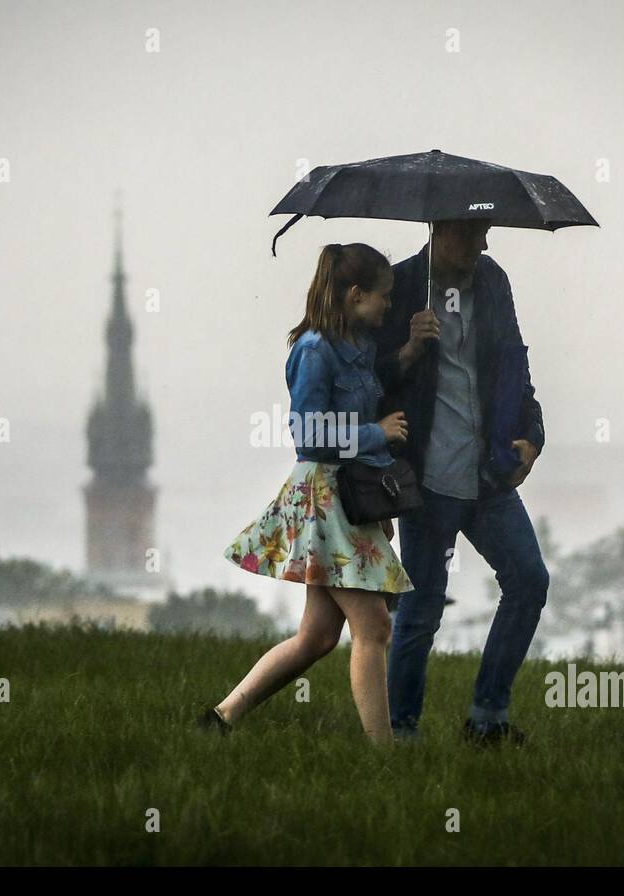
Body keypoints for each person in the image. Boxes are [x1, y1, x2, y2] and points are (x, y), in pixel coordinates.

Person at [201, 242, 418, 743]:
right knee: (375, 628)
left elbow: (363, 399)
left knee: (318, 637)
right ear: (355, 294)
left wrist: (410, 350)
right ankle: (384, 757)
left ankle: (220, 720)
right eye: (383, 296)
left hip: (350, 499)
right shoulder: (314, 350)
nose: (389, 304)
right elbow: (309, 435)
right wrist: (376, 434)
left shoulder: (359, 345)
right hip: (326, 499)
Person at [371, 218, 549, 746]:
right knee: (422, 608)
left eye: (486, 232)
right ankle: (401, 733)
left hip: (489, 475)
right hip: (426, 479)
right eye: (472, 233)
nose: (483, 244)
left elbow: (516, 368)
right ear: (439, 230)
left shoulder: (493, 282)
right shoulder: (400, 286)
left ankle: (486, 719)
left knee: (529, 581)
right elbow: (365, 382)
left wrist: (532, 437)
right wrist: (407, 349)